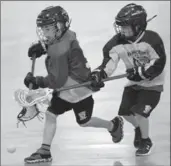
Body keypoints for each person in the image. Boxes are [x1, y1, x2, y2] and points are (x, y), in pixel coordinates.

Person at [23, 6, 124, 164]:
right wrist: (43, 47)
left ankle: (113, 125)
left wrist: (38, 82)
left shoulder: (59, 50)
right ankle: (44, 150)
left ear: (59, 26)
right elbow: (60, 44)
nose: (44, 33)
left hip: (77, 91)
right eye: (43, 29)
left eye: (48, 29)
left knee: (84, 121)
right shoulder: (66, 35)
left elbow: (57, 81)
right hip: (69, 90)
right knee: (52, 114)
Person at [91, 3, 166, 156]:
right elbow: (109, 62)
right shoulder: (117, 42)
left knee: (140, 113)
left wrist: (141, 72)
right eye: (120, 26)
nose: (121, 30)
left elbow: (158, 62)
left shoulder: (152, 39)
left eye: (125, 26)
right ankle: (139, 128)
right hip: (133, 83)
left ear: (138, 26)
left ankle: (146, 141)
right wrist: (100, 74)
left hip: (152, 85)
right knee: (125, 113)